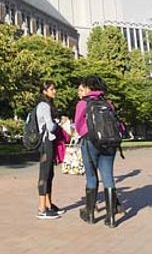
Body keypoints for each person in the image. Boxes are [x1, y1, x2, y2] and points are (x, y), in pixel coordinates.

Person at [74, 76, 123, 227]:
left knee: (91, 177)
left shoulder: (83, 103)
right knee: (108, 176)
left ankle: (90, 214)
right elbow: (118, 125)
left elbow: (78, 125)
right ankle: (111, 218)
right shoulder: (108, 103)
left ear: (89, 88)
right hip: (110, 143)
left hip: (90, 142)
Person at [35, 81, 64, 220]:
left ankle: (48, 204)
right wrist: (59, 123)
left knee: (50, 174)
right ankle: (41, 208)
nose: (54, 91)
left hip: (48, 141)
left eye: (54, 89)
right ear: (44, 91)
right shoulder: (44, 106)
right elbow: (50, 126)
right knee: (45, 174)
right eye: (51, 89)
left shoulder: (46, 105)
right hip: (46, 142)